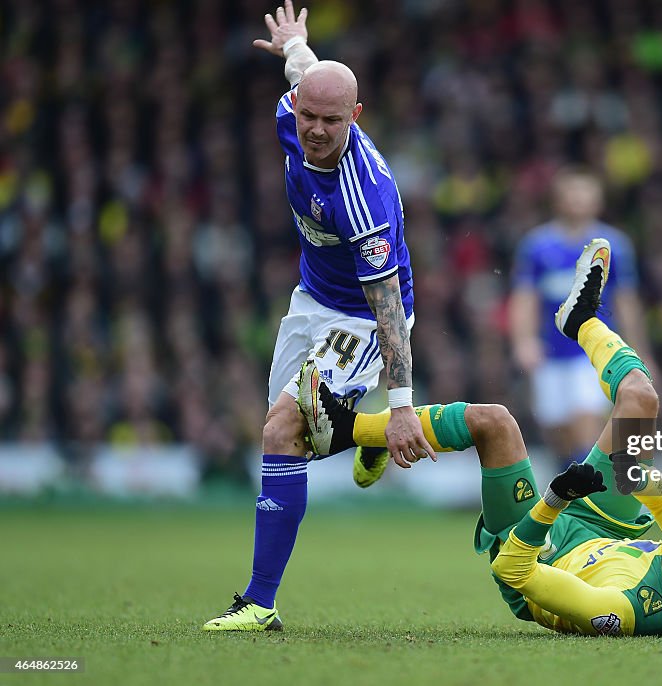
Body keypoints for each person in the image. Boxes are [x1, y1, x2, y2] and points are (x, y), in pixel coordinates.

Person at [288, 239, 662, 636]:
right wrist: (631, 467)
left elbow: (512, 570)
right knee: (641, 399)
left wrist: (553, 499)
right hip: (605, 527)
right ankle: (581, 321)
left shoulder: (620, 610)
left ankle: (347, 432)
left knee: (494, 423)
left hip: (537, 548)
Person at [203, 1, 435, 632]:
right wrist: (298, 46)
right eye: (308, 115)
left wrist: (407, 405)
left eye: (332, 121)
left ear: (355, 118)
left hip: (361, 319)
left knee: (283, 431)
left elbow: (390, 312)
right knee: (279, 432)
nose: (315, 130)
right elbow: (303, 74)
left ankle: (258, 602)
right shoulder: (292, 112)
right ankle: (366, 431)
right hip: (308, 302)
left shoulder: (365, 198)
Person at [510, 167, 652, 466]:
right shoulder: (537, 246)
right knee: (557, 431)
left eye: (585, 193)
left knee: (585, 423)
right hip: (551, 353)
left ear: (597, 201)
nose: (578, 200)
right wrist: (524, 341)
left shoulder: (614, 245)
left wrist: (640, 350)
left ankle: (586, 502)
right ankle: (569, 491)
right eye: (571, 194)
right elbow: (525, 298)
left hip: (593, 354)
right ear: (557, 200)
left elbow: (626, 301)